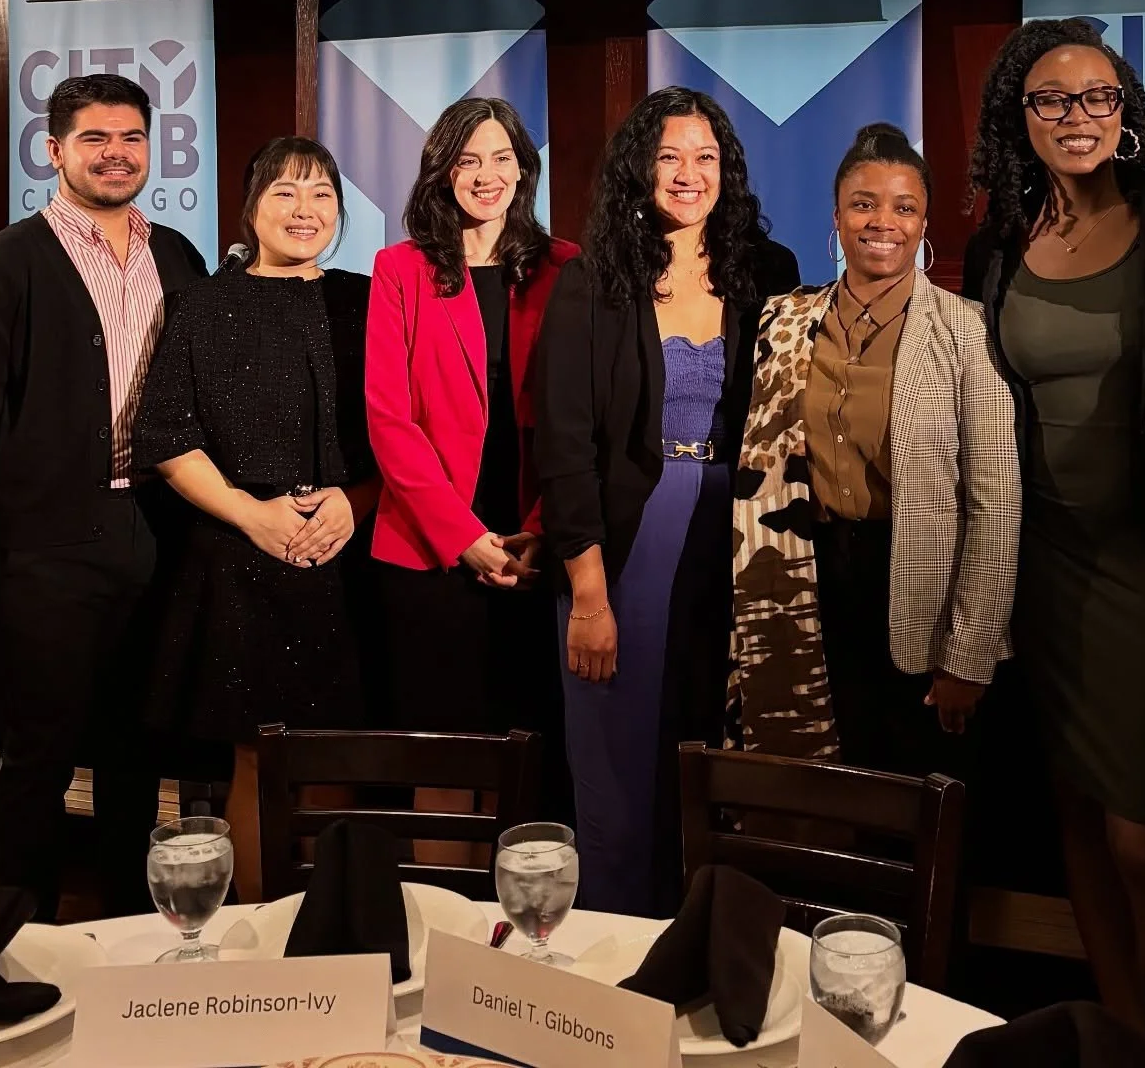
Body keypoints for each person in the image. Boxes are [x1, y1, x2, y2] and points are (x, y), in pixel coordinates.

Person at [964, 21, 1145, 1055]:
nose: (1078, 117)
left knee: (1144, 838)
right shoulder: (1000, 238)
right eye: (1054, 100)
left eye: (1098, 98)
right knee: (1074, 819)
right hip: (1041, 563)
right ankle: (1117, 1043)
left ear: (1125, 111)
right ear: (1019, 116)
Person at [535, 86, 798, 915]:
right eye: (670, 157)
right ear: (638, 169)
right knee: (621, 751)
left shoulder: (769, 270)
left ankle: (714, 935)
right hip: (631, 539)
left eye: (706, 158)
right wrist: (587, 593)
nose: (689, 175)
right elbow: (565, 442)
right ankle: (619, 937)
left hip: (745, 536)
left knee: (718, 744)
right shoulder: (593, 281)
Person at [0, 74, 206, 918]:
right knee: (43, 752)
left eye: (131, 137)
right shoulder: (9, 261)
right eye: (95, 139)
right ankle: (17, 940)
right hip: (48, 545)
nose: (116, 153)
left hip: (159, 529)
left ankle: (135, 931)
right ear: (55, 150)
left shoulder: (177, 254)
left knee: (141, 747)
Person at [730, 121, 1020, 777]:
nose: (880, 222)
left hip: (917, 581)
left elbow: (997, 507)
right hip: (805, 578)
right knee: (823, 777)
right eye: (863, 204)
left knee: (920, 786)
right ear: (835, 218)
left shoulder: (968, 330)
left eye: (903, 206)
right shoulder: (783, 321)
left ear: (923, 224)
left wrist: (969, 654)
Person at [133, 137, 377, 902]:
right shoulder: (204, 305)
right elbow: (167, 435)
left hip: (352, 549)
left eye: (322, 196)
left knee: (341, 752)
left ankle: (335, 926)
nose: (305, 211)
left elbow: (407, 428)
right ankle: (262, 931)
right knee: (255, 755)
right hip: (239, 555)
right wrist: (252, 515)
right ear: (249, 209)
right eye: (285, 193)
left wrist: (353, 502)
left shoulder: (365, 298)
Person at [365, 99, 577, 796]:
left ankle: (523, 908)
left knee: (533, 761)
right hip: (430, 550)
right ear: (442, 172)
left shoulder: (565, 268)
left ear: (524, 168)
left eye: (501, 158)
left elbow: (580, 418)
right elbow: (389, 420)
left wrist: (541, 532)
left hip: (534, 545)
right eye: (468, 160)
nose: (486, 175)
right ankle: (444, 906)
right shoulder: (400, 270)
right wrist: (463, 538)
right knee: (444, 764)